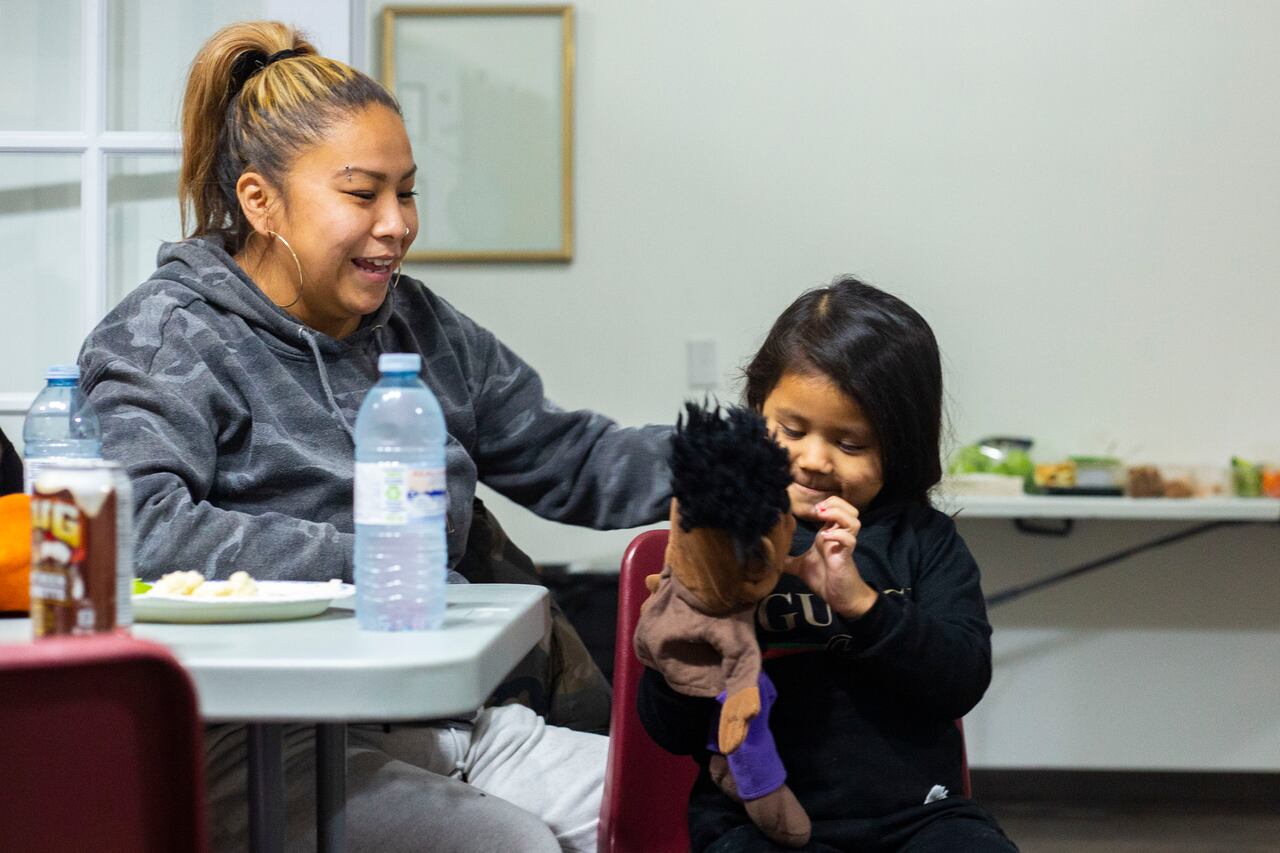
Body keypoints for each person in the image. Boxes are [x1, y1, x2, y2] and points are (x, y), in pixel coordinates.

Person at [77, 21, 672, 853]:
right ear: (260, 199)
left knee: (678, 815)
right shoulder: (167, 336)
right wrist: (369, 558)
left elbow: (568, 455)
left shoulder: (417, 324)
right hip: (258, 738)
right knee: (511, 846)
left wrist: (733, 466)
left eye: (408, 192)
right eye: (363, 195)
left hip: (451, 717)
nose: (397, 224)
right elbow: (132, 526)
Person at [637, 277, 1018, 852]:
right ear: (756, 409)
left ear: (901, 447)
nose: (812, 460)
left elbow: (960, 682)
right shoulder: (721, 541)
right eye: (791, 430)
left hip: (916, 819)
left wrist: (862, 606)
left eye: (851, 443)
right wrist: (696, 609)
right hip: (756, 823)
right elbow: (667, 730)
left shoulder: (925, 541)